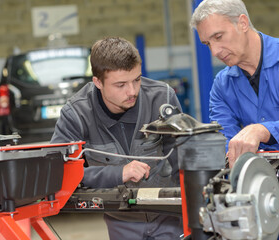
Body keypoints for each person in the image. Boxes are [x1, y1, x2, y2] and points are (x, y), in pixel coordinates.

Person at [191, 0, 279, 239]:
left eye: (218, 36)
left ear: (242, 23)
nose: (214, 51)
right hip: (265, 210)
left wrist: (263, 130)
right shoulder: (222, 87)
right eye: (207, 43)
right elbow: (224, 143)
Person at [51, 37, 183, 240]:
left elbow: (181, 157)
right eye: (120, 85)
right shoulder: (76, 114)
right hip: (122, 223)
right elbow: (59, 172)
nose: (132, 91)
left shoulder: (162, 98)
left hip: (168, 217)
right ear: (97, 82)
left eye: (137, 80)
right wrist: (117, 173)